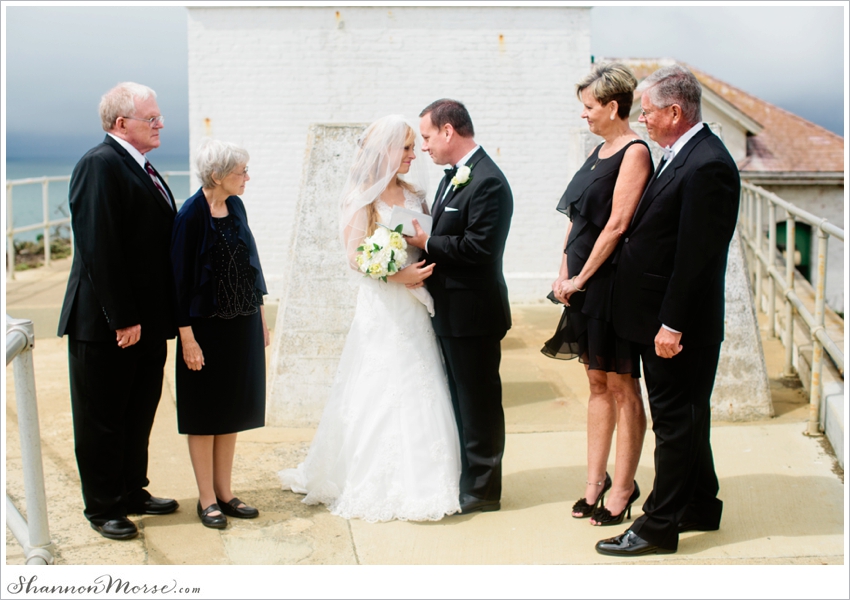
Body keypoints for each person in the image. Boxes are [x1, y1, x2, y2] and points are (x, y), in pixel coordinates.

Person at [278, 115, 462, 522]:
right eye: (408, 148)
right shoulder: (361, 197)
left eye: (416, 147)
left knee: (421, 383)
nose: (415, 155)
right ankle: (373, 477)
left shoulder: (416, 194)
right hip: (383, 306)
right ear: (387, 152)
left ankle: (429, 479)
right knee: (379, 386)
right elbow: (355, 256)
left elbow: (426, 240)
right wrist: (398, 274)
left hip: (416, 305)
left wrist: (421, 270)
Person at [596, 65, 741, 556]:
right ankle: (700, 504)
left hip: (680, 326)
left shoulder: (708, 166)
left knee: (675, 423)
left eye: (650, 111)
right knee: (688, 418)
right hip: (662, 319)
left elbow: (698, 258)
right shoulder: (682, 154)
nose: (643, 119)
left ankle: (657, 528)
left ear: (676, 112)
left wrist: (672, 324)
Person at [57, 82, 178, 540]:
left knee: (137, 411)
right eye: (152, 118)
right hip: (107, 324)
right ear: (121, 123)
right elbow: (98, 245)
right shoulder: (98, 164)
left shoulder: (142, 168)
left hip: (146, 322)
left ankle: (132, 490)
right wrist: (123, 317)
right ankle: (103, 505)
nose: (160, 123)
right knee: (102, 418)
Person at [542, 63, 653, 526]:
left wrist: (581, 277)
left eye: (589, 107)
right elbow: (577, 218)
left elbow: (617, 225)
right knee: (596, 383)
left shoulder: (635, 152)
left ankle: (624, 486)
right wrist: (562, 272)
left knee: (623, 385)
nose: (584, 115)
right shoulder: (598, 149)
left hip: (613, 288)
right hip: (582, 286)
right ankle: (595, 482)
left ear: (613, 106)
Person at [407, 99, 513, 514]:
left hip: (474, 314)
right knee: (459, 399)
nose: (426, 147)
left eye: (428, 137)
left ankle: (484, 490)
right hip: (450, 311)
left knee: (479, 403)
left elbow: (480, 247)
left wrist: (426, 244)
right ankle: (467, 478)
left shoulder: (488, 181)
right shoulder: (454, 177)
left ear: (449, 131)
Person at [170, 140, 269, 529]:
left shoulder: (237, 206)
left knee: (231, 411)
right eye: (240, 172)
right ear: (217, 176)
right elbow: (177, 283)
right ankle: (206, 499)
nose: (247, 177)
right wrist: (187, 338)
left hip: (241, 321)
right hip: (205, 328)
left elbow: (250, 262)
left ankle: (225, 493)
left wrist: (259, 316)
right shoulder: (190, 216)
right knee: (204, 413)